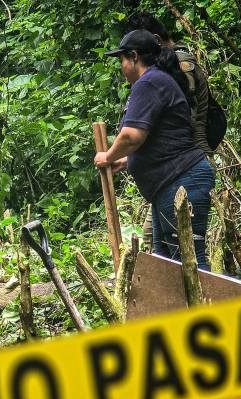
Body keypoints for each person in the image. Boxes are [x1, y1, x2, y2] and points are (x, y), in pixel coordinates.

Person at [94, 29, 215, 269]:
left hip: (182, 181)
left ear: (134, 56)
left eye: (122, 60)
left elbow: (131, 136)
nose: (121, 67)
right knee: (167, 264)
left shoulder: (149, 82)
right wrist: (126, 161)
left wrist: (107, 156)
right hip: (171, 184)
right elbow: (163, 136)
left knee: (189, 261)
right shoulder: (157, 81)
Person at [124, 12, 213, 154]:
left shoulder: (181, 66)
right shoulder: (166, 66)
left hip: (189, 156)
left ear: (156, 40)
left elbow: (185, 116)